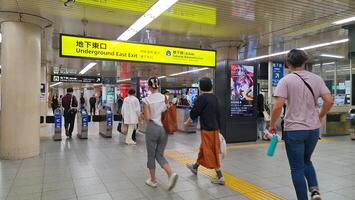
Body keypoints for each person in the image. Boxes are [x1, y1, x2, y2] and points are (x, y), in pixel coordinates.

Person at [269, 49, 333, 200]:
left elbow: (278, 106)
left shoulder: (286, 80)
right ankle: (315, 191)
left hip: (294, 130)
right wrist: (320, 116)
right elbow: (329, 101)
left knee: (297, 167)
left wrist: (272, 125)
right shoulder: (317, 79)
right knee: (306, 161)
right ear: (304, 62)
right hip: (313, 130)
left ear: (288, 63)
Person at [184, 77, 225, 185]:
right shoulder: (214, 98)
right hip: (215, 129)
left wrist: (187, 122)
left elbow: (195, 112)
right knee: (204, 149)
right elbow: (218, 115)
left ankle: (220, 176)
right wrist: (219, 129)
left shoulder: (202, 98)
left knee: (210, 151)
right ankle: (195, 167)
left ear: (201, 87)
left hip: (207, 129)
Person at [142, 77, 178, 190]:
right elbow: (166, 111)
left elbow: (147, 118)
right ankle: (171, 174)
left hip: (152, 128)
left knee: (151, 155)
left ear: (149, 87)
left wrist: (141, 115)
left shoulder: (146, 100)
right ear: (159, 85)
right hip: (164, 129)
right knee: (160, 154)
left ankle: (153, 180)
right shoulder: (165, 98)